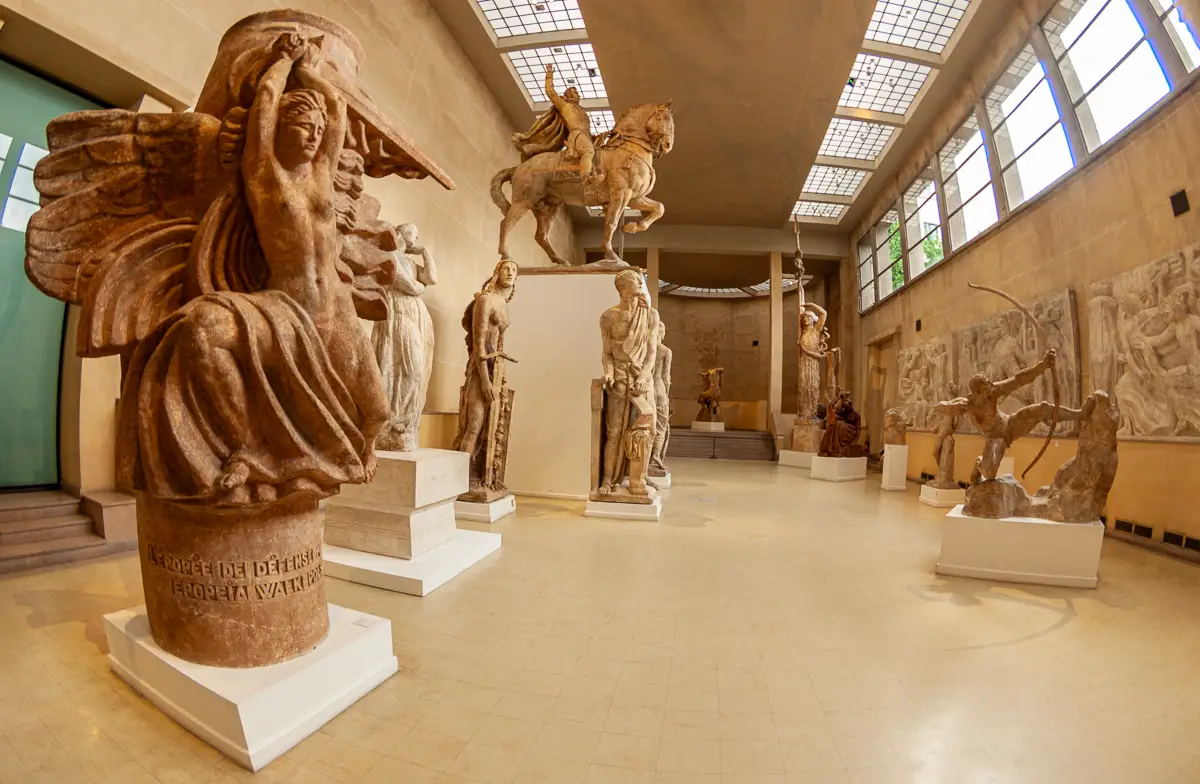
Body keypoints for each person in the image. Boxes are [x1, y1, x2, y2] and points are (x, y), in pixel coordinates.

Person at [932, 348, 1082, 484]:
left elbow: (1018, 379)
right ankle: (980, 463)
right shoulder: (966, 404)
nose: (989, 394)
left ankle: (1080, 415)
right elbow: (937, 407)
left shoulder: (993, 391)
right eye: (985, 393)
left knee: (1042, 408)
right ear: (976, 393)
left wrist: (1043, 365)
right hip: (994, 439)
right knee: (990, 474)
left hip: (1010, 425)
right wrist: (948, 406)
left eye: (989, 390)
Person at [374, 223, 438, 452]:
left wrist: (424, 252)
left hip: (414, 316)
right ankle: (393, 419)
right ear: (400, 232)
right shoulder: (389, 256)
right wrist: (420, 287)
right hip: (398, 313)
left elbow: (431, 278)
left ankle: (405, 420)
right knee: (409, 368)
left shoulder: (410, 261)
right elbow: (409, 285)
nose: (417, 236)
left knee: (417, 371)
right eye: (414, 232)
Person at [598, 270, 660, 496]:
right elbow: (606, 353)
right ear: (622, 286)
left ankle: (638, 478)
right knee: (614, 430)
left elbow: (652, 352)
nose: (641, 284)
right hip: (620, 378)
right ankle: (608, 479)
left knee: (645, 429)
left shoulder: (651, 315)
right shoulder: (608, 317)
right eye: (636, 280)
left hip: (642, 378)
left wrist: (644, 377)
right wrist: (609, 372)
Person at [453, 259, 518, 464]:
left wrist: (495, 376)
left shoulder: (503, 303)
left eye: (514, 270)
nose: (510, 272)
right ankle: (459, 478)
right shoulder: (485, 300)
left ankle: (481, 476)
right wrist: (484, 380)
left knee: (491, 425)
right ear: (497, 272)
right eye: (506, 268)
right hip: (481, 366)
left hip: (496, 368)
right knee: (475, 422)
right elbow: (479, 342)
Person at [510, 63, 599, 185]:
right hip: (577, 135)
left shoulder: (582, 111)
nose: (578, 94)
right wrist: (549, 75)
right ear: (567, 96)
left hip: (586, 136)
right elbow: (550, 91)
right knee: (588, 152)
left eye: (577, 92)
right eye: (574, 92)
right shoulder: (564, 105)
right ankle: (585, 179)